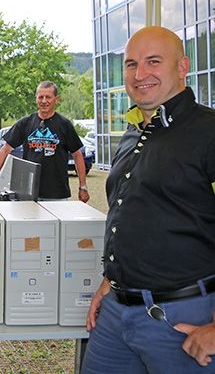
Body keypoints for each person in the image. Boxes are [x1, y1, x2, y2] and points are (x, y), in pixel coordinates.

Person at [82, 26, 215, 372]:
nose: (140, 74)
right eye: (130, 64)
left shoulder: (208, 132)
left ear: (182, 66)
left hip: (184, 318)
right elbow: (134, 214)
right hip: (116, 312)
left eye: (153, 62)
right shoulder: (134, 131)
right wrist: (110, 282)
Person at [0, 81, 90, 202]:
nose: (44, 101)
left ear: (56, 99)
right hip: (28, 193)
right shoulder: (26, 123)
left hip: (57, 195)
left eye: (48, 97)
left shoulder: (64, 124)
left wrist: (83, 186)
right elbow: (5, 150)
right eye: (40, 97)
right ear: (36, 98)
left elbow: (77, 155)